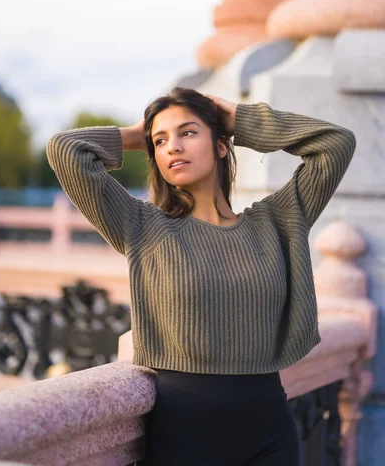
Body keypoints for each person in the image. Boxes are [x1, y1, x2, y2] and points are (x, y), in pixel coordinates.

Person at [46, 87, 356, 465]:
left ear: (222, 146)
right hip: (187, 433)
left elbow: (336, 144)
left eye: (188, 133)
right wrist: (136, 135)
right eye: (161, 141)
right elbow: (65, 150)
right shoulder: (143, 226)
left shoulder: (278, 221)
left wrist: (242, 120)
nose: (173, 146)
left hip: (271, 430)